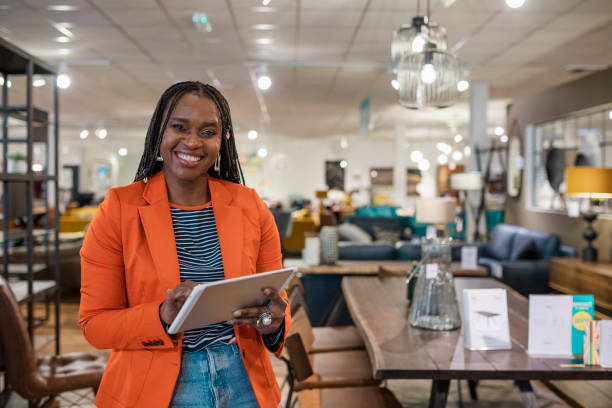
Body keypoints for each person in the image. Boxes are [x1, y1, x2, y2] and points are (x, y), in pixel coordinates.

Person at [79, 81, 291, 408]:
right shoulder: (119, 209)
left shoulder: (251, 206)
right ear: (158, 132)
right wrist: (162, 315)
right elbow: (95, 325)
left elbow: (276, 302)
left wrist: (274, 322)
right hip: (156, 385)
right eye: (179, 127)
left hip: (244, 380)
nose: (193, 141)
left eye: (208, 132)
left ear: (222, 141)